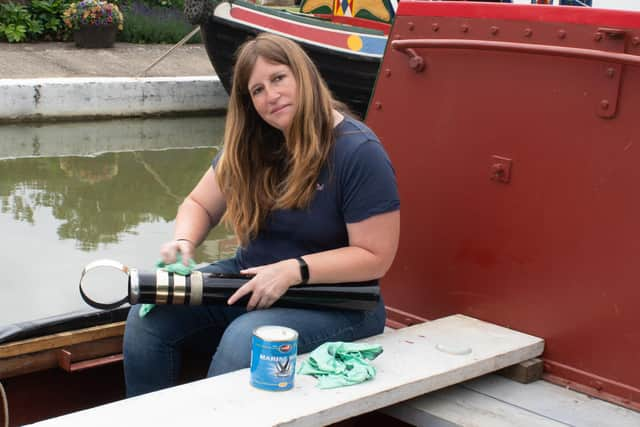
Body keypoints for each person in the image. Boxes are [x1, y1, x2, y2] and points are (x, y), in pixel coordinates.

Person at [123, 33, 400, 397]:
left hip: (339, 303)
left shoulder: (358, 151)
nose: (270, 95)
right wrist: (183, 240)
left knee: (247, 339)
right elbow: (199, 204)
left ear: (303, 75)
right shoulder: (254, 143)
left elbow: (375, 257)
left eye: (278, 78)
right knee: (151, 314)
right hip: (250, 281)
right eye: (256, 90)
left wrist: (292, 270)